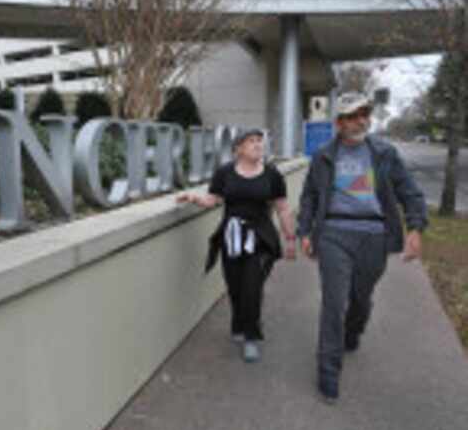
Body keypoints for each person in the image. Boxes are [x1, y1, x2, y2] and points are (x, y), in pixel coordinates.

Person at [297, 92, 427, 404]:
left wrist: (416, 228)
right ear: (339, 123)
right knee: (334, 301)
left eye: (365, 114)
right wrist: (304, 230)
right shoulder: (324, 155)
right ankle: (328, 371)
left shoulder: (384, 152)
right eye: (354, 115)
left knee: (360, 299)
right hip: (333, 233)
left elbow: (409, 191)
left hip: (374, 235)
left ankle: (353, 330)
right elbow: (310, 196)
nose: (362, 120)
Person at [177, 129, 296, 363]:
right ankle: (239, 323)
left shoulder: (272, 175)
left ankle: (252, 336)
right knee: (235, 287)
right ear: (238, 148)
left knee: (252, 287)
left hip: (260, 238)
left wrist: (290, 237)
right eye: (251, 141)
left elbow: (282, 207)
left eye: (260, 141)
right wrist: (194, 198)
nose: (258, 145)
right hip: (231, 238)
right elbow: (214, 199)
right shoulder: (224, 173)